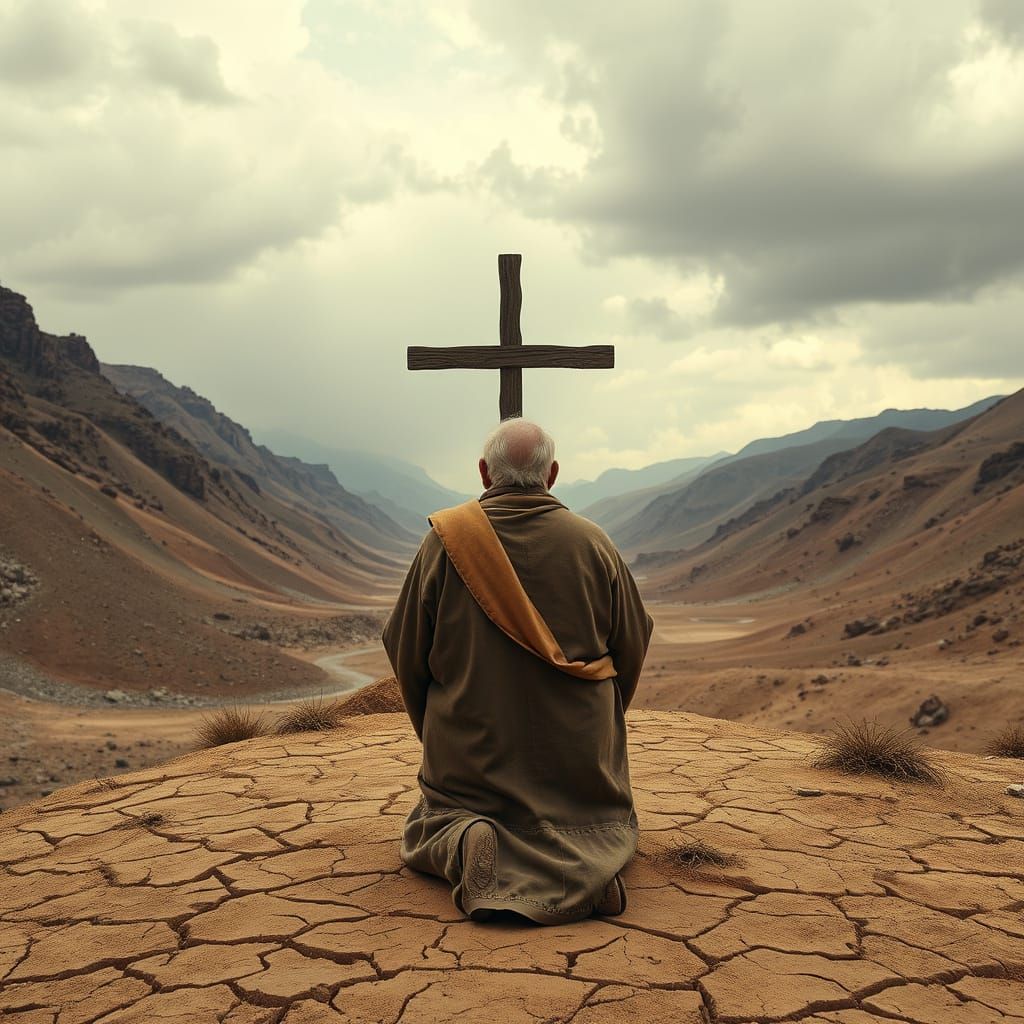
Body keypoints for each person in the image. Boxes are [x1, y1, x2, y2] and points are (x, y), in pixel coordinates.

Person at [381, 418, 654, 924]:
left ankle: (466, 839)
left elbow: (404, 647)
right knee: (601, 823)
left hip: (472, 754)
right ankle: (594, 872)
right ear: (551, 474)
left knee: (432, 823)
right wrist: (600, 722)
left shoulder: (444, 542)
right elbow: (632, 643)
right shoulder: (594, 543)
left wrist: (438, 728)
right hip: (578, 762)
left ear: (485, 473)